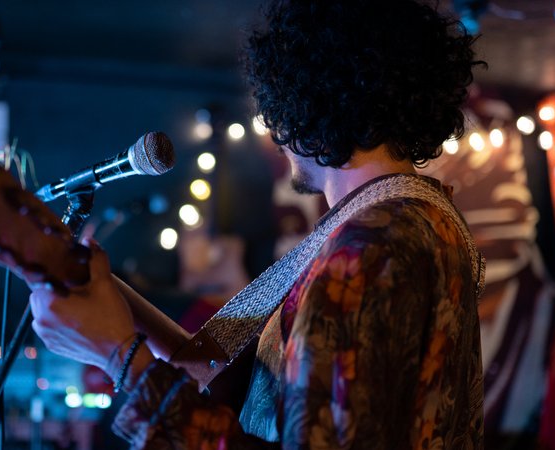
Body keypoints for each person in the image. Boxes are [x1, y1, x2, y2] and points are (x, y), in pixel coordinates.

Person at [27, 0, 486, 448]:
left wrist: (118, 354)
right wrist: (105, 295)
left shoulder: (368, 246)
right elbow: (218, 374)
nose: (275, 132)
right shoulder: (412, 220)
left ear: (308, 101)